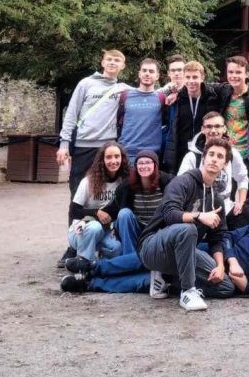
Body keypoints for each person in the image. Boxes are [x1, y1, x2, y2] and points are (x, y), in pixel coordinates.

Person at [137, 137, 237, 311]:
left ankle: (168, 281)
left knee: (225, 287)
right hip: (153, 246)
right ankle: (187, 291)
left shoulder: (217, 199)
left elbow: (217, 238)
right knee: (187, 229)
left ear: (225, 164)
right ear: (204, 158)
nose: (214, 159)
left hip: (184, 253)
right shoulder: (183, 182)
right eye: (211, 154)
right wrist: (199, 216)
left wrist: (221, 266)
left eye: (220, 156)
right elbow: (170, 214)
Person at [60, 150, 173, 294]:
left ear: (156, 165)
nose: (145, 166)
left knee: (150, 279)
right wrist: (90, 217)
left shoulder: (169, 182)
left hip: (169, 254)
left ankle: (90, 280)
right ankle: (94, 267)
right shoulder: (127, 185)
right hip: (149, 238)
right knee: (125, 216)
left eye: (148, 162)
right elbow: (110, 210)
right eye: (141, 163)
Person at [57, 49, 128, 196]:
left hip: (107, 147)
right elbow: (71, 113)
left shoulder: (123, 89)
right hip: (83, 145)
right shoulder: (86, 83)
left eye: (117, 60)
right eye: (109, 59)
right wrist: (64, 145)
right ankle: (76, 212)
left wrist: (172, 88)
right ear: (102, 63)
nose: (112, 63)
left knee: (105, 190)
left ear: (122, 66)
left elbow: (148, 92)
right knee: (78, 188)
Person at [179, 112, 249, 230]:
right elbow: (180, 185)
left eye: (217, 126)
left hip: (226, 210)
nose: (213, 130)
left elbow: (242, 178)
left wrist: (241, 202)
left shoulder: (232, 154)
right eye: (209, 126)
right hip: (199, 213)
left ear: (224, 129)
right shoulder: (192, 156)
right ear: (202, 129)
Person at [65, 142, 130, 262]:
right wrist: (96, 212)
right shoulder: (88, 181)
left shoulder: (124, 181)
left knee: (116, 248)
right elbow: (73, 212)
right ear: (102, 160)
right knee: (94, 228)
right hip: (82, 229)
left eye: (117, 156)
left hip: (105, 231)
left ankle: (98, 263)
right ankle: (83, 263)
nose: (113, 161)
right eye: (108, 157)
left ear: (122, 158)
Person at [166, 61, 222, 172]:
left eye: (195, 77)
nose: (191, 81)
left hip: (205, 149)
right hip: (181, 150)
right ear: (183, 78)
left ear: (202, 77)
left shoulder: (212, 97)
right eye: (188, 77)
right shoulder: (178, 99)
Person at [116, 58, 168, 163]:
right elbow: (118, 119)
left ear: (157, 76)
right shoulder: (125, 95)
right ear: (139, 74)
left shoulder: (161, 98)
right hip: (127, 152)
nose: (147, 74)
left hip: (152, 154)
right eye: (144, 70)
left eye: (151, 71)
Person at [221, 55, 249, 164]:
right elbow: (202, 86)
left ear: (246, 74)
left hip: (246, 153)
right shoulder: (223, 90)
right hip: (226, 151)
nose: (234, 76)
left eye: (238, 72)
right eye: (230, 72)